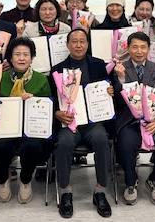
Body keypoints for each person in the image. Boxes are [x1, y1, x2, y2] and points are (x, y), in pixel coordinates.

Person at [50, 29, 113, 218]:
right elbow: (52, 99)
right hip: (70, 122)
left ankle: (100, 190)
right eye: (74, 41)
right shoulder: (57, 69)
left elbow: (110, 88)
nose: (78, 45)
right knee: (64, 143)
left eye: (82, 41)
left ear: (87, 44)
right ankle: (65, 191)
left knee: (102, 139)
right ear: (67, 45)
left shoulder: (98, 65)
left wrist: (110, 91)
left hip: (93, 122)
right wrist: (57, 113)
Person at [112, 32, 155, 206]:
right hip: (129, 120)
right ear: (128, 48)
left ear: (149, 49)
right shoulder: (120, 68)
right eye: (135, 47)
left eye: (143, 47)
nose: (139, 51)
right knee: (126, 144)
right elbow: (116, 101)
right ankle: (131, 182)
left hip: (153, 120)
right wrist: (121, 79)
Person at [0, 37, 52, 204]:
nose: (22, 58)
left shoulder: (41, 79)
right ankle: (2, 180)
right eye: (17, 54)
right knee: (0, 146)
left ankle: (25, 180)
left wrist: (34, 102)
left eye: (26, 54)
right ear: (10, 58)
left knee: (32, 145)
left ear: (32, 58)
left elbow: (48, 109)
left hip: (31, 129)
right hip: (6, 128)